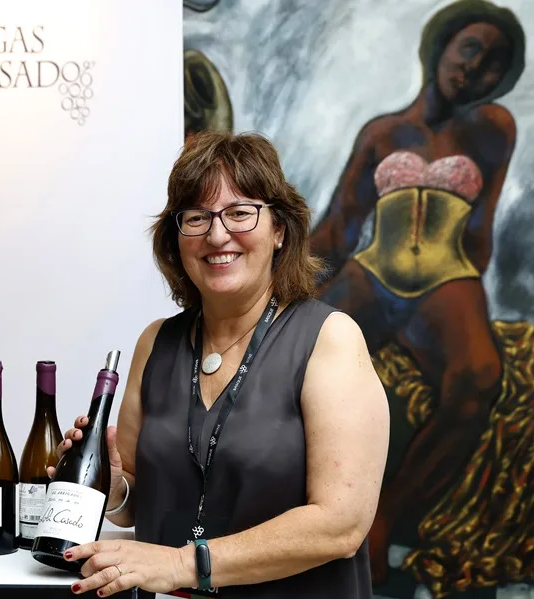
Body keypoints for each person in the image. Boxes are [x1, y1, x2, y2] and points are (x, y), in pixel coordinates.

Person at [49, 131, 390, 598]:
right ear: (176, 239)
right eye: (197, 217)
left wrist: (182, 564)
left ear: (279, 230)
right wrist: (110, 488)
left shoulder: (330, 339)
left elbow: (341, 524)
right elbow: (133, 500)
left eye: (239, 213)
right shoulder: (156, 343)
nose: (216, 234)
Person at [308, 0, 524, 581]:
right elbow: (339, 229)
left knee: (480, 377)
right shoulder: (381, 132)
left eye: (494, 62)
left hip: (446, 279)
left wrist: (464, 306)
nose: (476, 68)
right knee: (297, 354)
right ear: (441, 47)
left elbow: (481, 228)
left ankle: (385, 517)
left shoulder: (494, 129)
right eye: (470, 49)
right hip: (373, 274)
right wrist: (290, 289)